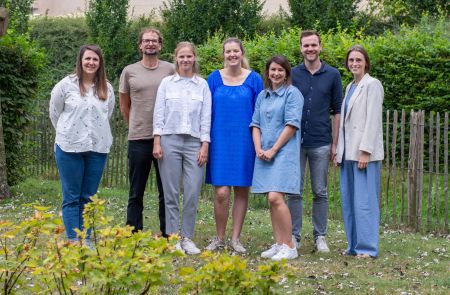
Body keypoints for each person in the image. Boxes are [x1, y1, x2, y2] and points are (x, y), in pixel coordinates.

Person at [49, 44, 115, 243]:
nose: (91, 62)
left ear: (100, 63)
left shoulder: (107, 87)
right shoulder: (65, 85)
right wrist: (66, 132)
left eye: (95, 59)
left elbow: (107, 114)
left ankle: (85, 241)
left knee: (88, 197)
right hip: (69, 147)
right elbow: (55, 113)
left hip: (97, 148)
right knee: (71, 197)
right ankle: (73, 240)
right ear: (80, 61)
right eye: (87, 59)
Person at [205, 37, 263, 253]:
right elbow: (205, 112)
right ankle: (219, 237)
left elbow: (259, 113)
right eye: (228, 51)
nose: (232, 55)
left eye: (235, 51)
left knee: (241, 190)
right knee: (221, 192)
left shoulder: (254, 79)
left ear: (241, 53)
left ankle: (235, 238)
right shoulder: (213, 79)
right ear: (223, 54)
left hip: (244, 142)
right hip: (219, 142)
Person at [153, 42, 211, 254]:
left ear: (194, 58)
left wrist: (205, 145)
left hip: (194, 143)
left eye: (189, 56)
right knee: (171, 192)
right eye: (182, 57)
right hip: (170, 140)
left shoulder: (202, 85)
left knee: (192, 191)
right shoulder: (167, 83)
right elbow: (159, 114)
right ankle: (173, 237)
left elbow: (206, 117)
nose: (185, 60)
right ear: (176, 58)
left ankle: (187, 237)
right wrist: (157, 141)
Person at [287, 30, 343, 252]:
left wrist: (335, 144)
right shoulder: (292, 74)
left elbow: (337, 110)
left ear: (320, 47)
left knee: (320, 191)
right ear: (300, 48)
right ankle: (294, 235)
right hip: (295, 141)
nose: (309, 49)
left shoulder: (333, 75)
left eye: (313, 45)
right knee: (294, 191)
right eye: (305, 46)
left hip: (321, 141)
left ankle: (320, 236)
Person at [119, 28, 174, 235]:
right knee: (136, 191)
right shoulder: (129, 71)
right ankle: (133, 233)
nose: (150, 44)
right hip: (139, 139)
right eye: (146, 41)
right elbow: (125, 105)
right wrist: (135, 124)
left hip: (167, 138)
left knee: (166, 191)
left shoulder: (170, 70)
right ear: (140, 45)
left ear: (160, 45)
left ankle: (167, 233)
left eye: (154, 41)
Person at [251, 55, 303, 260]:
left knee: (276, 197)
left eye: (280, 70)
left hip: (284, 152)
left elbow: (292, 124)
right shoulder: (262, 96)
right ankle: (279, 242)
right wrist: (258, 148)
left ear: (286, 73)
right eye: (273, 70)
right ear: (267, 72)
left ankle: (290, 246)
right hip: (264, 153)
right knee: (272, 200)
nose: (276, 73)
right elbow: (255, 123)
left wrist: (273, 149)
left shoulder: (292, 94)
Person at [335, 45, 384, 258]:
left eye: (358, 60)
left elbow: (373, 120)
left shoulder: (373, 85)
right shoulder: (350, 86)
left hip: (364, 155)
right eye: (351, 60)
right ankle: (353, 245)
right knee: (350, 202)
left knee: (365, 203)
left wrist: (366, 151)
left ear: (366, 63)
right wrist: (340, 151)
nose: (354, 63)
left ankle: (368, 248)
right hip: (348, 154)